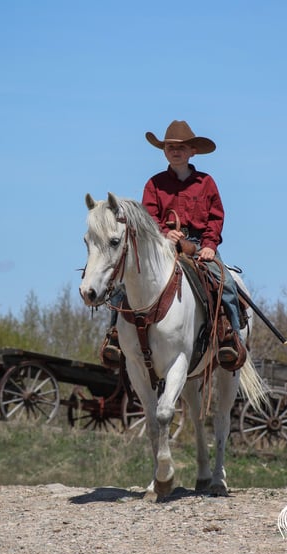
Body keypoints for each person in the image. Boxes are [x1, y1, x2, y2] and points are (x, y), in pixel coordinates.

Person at [101, 120, 247, 371]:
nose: (175, 151)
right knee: (123, 279)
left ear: (193, 152)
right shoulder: (154, 184)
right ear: (164, 151)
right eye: (170, 146)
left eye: (181, 147)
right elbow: (148, 217)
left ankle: (229, 336)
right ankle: (115, 334)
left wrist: (210, 244)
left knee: (226, 283)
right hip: (161, 246)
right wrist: (164, 233)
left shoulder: (207, 183)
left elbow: (216, 217)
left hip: (200, 245)